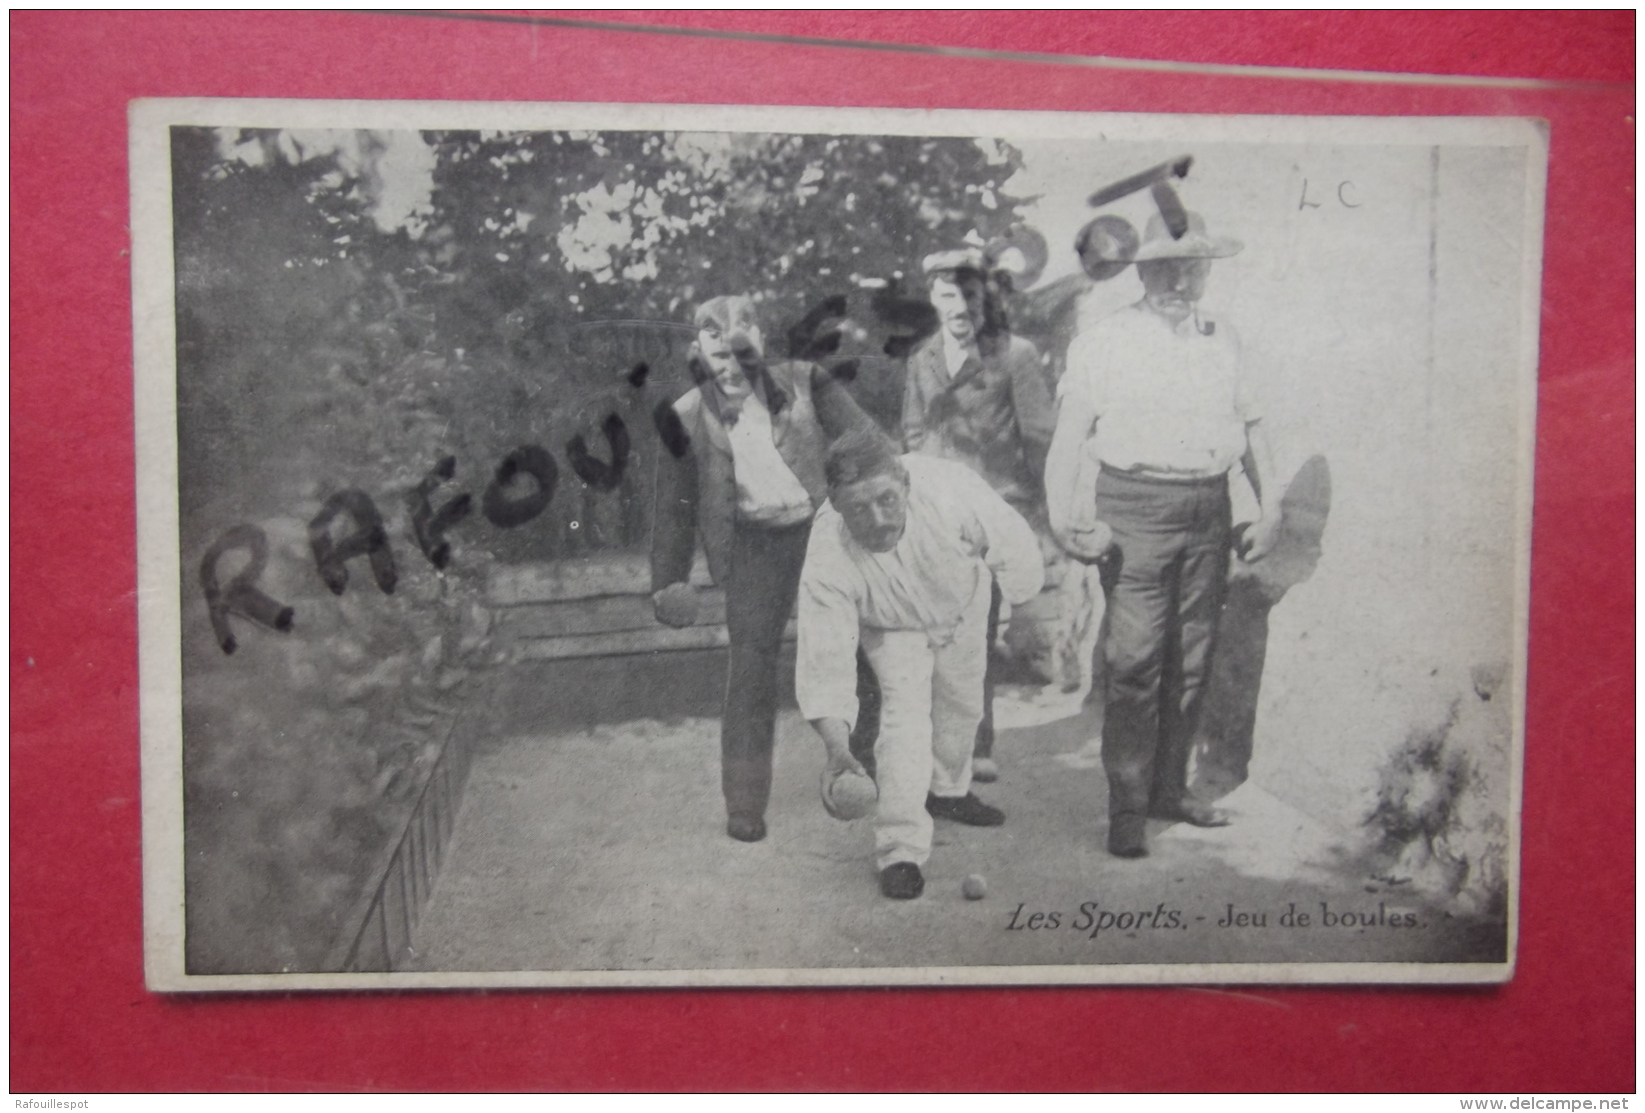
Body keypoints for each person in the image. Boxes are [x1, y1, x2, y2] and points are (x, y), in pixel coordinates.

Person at [1044, 212, 1280, 860]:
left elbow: (1254, 429)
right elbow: (1068, 438)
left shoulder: (1223, 337)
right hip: (1134, 511)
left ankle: (1167, 791)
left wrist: (1270, 509)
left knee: (1192, 660)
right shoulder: (1104, 340)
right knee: (1134, 662)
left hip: (1208, 506)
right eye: (1167, 266)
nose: (1181, 278)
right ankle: (1125, 807)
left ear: (1206, 269)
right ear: (1142, 270)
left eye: (1193, 265)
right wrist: (1060, 519)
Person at [650, 295, 876, 844]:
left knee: (861, 650)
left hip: (821, 530)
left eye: (741, 354)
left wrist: (876, 506)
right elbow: (673, 507)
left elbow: (865, 443)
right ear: (696, 355)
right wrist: (669, 580)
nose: (730, 369)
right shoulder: (681, 417)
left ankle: (864, 767)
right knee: (749, 671)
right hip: (753, 544)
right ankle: (745, 803)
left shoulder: (808, 383)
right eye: (717, 357)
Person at [795, 427, 1044, 899]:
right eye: (857, 510)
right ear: (834, 503)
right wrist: (837, 749)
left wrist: (1026, 607)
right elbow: (824, 658)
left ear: (904, 482)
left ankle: (949, 792)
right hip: (891, 627)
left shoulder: (949, 488)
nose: (877, 520)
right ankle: (900, 849)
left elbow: (1009, 536)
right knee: (905, 723)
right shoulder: (827, 550)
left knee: (962, 704)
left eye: (887, 500)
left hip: (963, 603)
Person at [899, 247, 1057, 783]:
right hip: (934, 512)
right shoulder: (921, 359)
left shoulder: (1015, 355)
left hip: (994, 511)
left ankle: (975, 743)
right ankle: (927, 743)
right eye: (949, 295)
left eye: (970, 295)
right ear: (933, 298)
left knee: (977, 629)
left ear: (986, 297)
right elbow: (913, 433)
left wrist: (1043, 514)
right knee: (932, 629)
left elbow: (1039, 438)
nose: (961, 307)